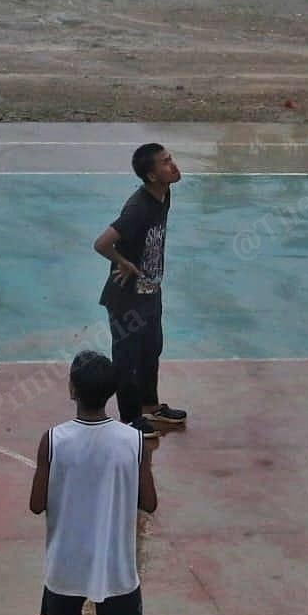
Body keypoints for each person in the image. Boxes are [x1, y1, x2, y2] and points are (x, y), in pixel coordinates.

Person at [29, 351, 180, 615]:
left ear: (72, 390)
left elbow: (36, 504)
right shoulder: (133, 441)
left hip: (67, 556)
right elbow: (150, 502)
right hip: (114, 557)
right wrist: (142, 465)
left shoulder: (53, 440)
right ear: (111, 392)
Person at [94, 143, 187, 438]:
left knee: (151, 351)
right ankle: (130, 419)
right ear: (151, 175)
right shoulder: (139, 208)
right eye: (165, 162)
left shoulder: (164, 194)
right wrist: (122, 262)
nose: (173, 165)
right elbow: (102, 243)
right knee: (127, 359)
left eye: (170, 159)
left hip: (150, 292)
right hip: (127, 299)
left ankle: (150, 405)